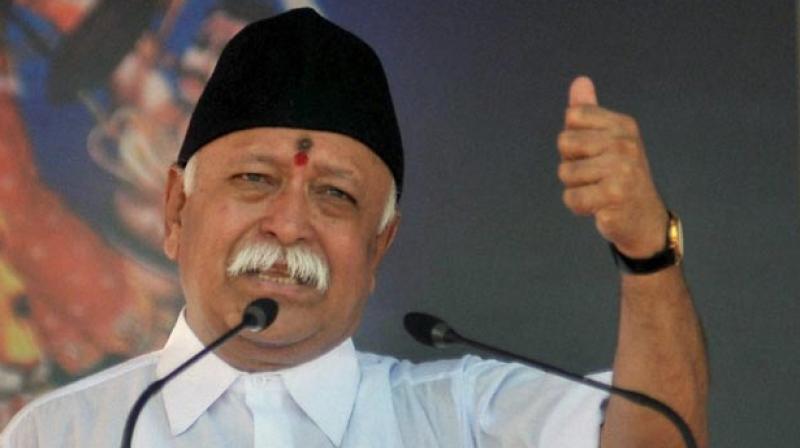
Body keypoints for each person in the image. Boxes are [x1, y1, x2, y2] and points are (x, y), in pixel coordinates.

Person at [0, 8, 708, 447]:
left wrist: (647, 254)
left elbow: (657, 440)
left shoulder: (464, 419)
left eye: (335, 195)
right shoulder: (63, 434)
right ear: (176, 210)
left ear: (379, 245)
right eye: (255, 179)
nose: (289, 224)